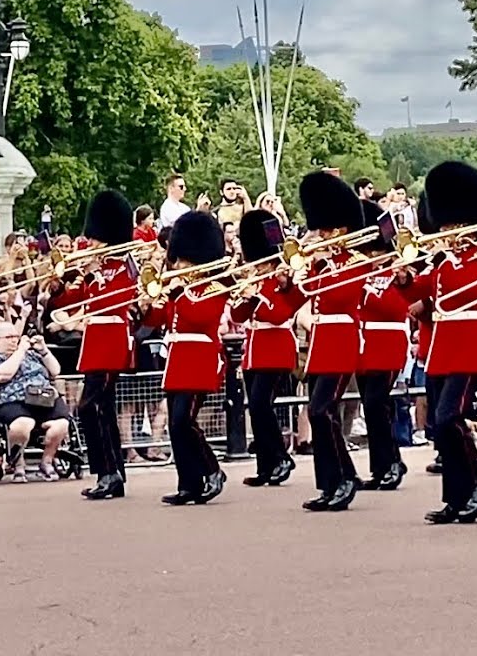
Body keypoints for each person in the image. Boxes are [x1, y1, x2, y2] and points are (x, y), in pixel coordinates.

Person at [395, 162, 477, 524]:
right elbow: (419, 294)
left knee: (449, 417)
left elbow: (465, 293)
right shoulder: (444, 261)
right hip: (442, 349)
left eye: (452, 226)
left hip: (469, 347)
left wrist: (446, 257)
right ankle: (456, 496)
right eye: (443, 226)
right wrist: (405, 278)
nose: (446, 232)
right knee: (441, 427)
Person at [140, 211, 228, 506]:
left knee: (183, 420)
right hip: (177, 359)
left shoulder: (214, 288)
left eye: (182, 260)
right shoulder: (177, 289)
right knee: (176, 427)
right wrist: (151, 302)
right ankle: (188, 484)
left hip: (200, 357)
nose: (176, 265)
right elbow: (157, 320)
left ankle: (212, 470)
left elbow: (202, 318)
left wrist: (180, 293)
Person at [294, 171, 368, 512]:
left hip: (341, 341)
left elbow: (341, 296)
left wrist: (319, 263)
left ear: (339, 230)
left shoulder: (356, 262)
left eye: (323, 230)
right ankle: (331, 481)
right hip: (322, 343)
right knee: (321, 411)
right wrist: (292, 275)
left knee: (322, 409)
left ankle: (343, 479)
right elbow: (299, 296)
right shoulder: (319, 264)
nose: (318, 235)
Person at [230, 209, 304, 487]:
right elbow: (238, 317)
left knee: (261, 404)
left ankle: (281, 457)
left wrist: (258, 296)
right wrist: (246, 296)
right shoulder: (256, 279)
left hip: (276, 346)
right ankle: (266, 465)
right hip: (255, 349)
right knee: (257, 407)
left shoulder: (284, 282)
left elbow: (278, 314)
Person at [73, 191, 138, 500]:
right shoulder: (96, 266)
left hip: (112, 341)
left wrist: (94, 273)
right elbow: (74, 302)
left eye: (97, 239)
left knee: (90, 407)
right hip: (94, 342)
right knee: (102, 410)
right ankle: (110, 474)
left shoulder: (125, 264)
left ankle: (109, 471)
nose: (92, 244)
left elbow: (117, 301)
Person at [354, 199, 408, 491]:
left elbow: (395, 307)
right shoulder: (363, 271)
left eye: (373, 252)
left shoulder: (396, 272)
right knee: (371, 406)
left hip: (388, 343)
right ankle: (384, 466)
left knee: (377, 403)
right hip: (364, 346)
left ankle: (390, 464)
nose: (369, 257)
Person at [0, 322, 71, 483]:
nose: (14, 340)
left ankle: (47, 461)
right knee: (23, 424)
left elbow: (55, 371)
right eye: (9, 337)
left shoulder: (33, 355)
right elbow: (3, 375)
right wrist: (20, 351)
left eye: (16, 337)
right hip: (13, 401)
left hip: (43, 398)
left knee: (61, 424)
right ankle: (18, 463)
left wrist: (43, 350)